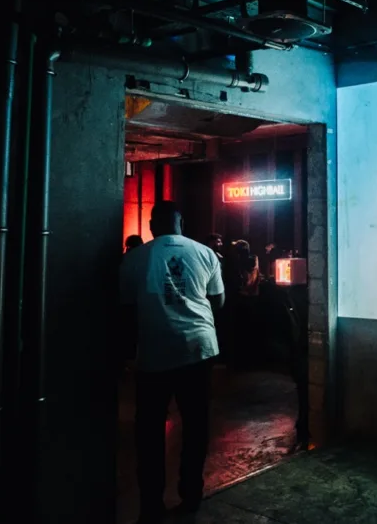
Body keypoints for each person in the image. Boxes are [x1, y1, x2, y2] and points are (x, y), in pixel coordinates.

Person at [119, 201, 225, 523]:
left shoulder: (135, 257)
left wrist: (128, 354)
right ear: (182, 224)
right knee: (196, 425)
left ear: (153, 226)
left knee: (149, 432)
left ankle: (151, 505)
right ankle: (191, 495)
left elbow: (126, 309)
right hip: (198, 348)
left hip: (156, 351)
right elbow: (218, 300)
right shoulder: (205, 253)